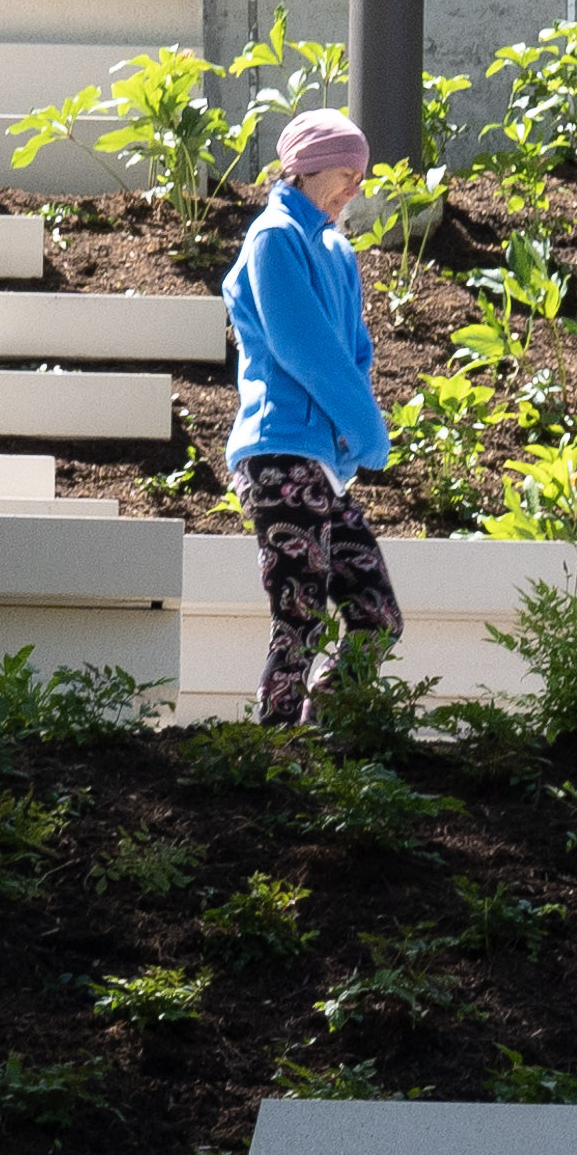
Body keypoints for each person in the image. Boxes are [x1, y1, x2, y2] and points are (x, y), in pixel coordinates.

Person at [224, 108, 401, 724]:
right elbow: (304, 349)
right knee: (298, 617)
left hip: (320, 465)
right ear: (306, 169)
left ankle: (321, 725)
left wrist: (352, 445)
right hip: (278, 453)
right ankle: (273, 757)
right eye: (348, 171)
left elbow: (355, 352)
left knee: (376, 614)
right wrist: (367, 428)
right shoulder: (275, 237)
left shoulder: (336, 249)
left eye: (362, 173)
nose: (358, 185)